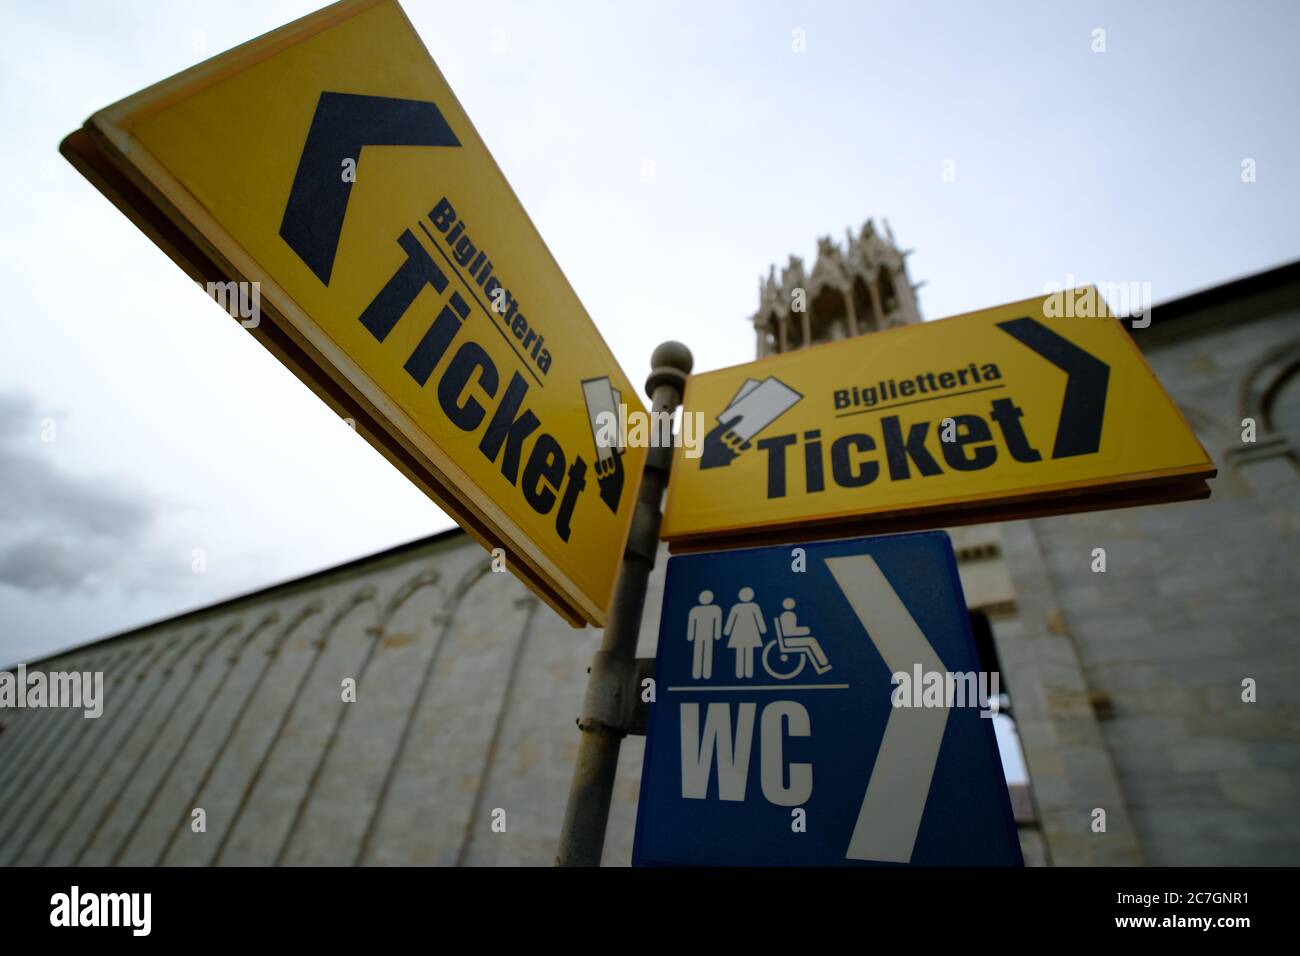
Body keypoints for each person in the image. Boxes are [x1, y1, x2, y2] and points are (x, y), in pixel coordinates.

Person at [777, 598, 831, 673]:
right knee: (811, 641)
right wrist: (805, 630)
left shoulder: (787, 615)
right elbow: (790, 631)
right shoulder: (788, 615)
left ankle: (822, 664)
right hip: (789, 640)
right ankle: (823, 663)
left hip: (790, 639)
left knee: (810, 640)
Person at [724, 587, 766, 678]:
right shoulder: (738, 607)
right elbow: (731, 619)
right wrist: (762, 630)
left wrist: (762, 629)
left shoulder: (753, 606)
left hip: (748, 632)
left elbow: (758, 618)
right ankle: (742, 673)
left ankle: (746, 672)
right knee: (743, 650)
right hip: (742, 632)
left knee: (747, 651)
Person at [686, 590, 722, 679]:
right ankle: (696, 673)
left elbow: (717, 622)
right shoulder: (695, 610)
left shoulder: (715, 609)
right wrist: (690, 636)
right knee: (698, 652)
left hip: (709, 635)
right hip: (698, 635)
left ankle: (707, 673)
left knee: (708, 651)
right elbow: (691, 623)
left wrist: (717, 634)